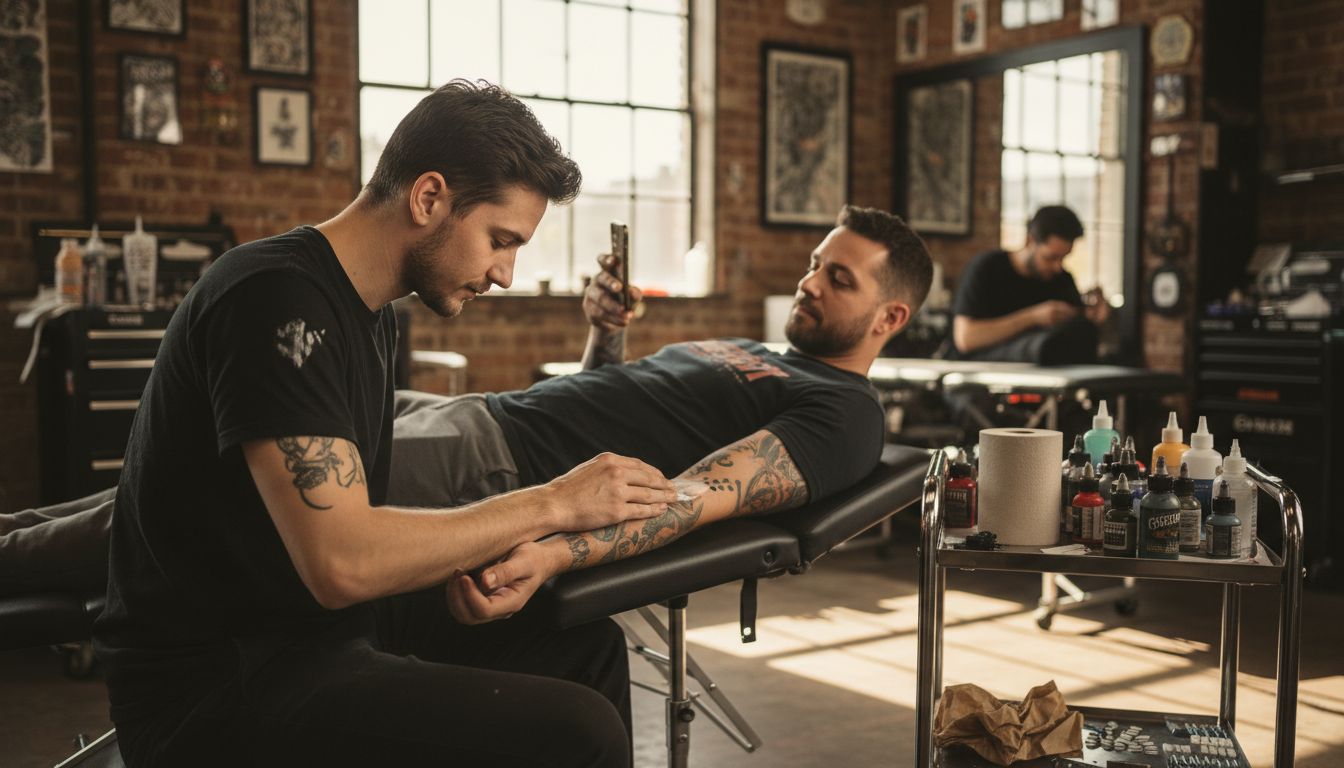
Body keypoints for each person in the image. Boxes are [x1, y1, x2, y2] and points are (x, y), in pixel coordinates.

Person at [92, 80, 681, 768]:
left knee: (583, 643)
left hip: (306, 629)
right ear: (428, 198)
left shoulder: (370, 316)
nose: (504, 274)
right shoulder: (274, 299)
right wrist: (553, 502)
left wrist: (471, 571)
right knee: (582, 732)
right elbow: (342, 561)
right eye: (500, 239)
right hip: (214, 686)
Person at [949, 205, 1110, 365]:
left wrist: (1093, 318)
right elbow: (966, 339)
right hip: (981, 370)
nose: (1057, 267)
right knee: (1040, 347)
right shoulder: (987, 267)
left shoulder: (1062, 279)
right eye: (1050, 258)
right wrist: (1034, 317)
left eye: (1063, 258)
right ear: (1030, 241)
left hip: (1044, 374)